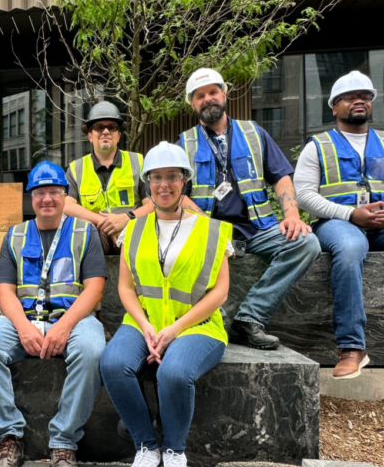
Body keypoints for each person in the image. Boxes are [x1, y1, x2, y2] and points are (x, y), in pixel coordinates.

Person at [101, 142, 232, 467]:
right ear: (147, 183)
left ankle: (174, 450)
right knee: (113, 365)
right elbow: (125, 288)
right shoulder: (132, 229)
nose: (164, 185)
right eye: (156, 177)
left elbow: (220, 293)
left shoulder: (210, 230)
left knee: (173, 373)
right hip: (144, 322)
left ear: (184, 180)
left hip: (198, 327)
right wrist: (145, 326)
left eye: (172, 176)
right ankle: (146, 445)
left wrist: (173, 329)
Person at [0, 161, 107, 467]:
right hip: (25, 318)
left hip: (73, 318)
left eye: (54, 192)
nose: (47, 199)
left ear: (65, 195)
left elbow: (94, 289)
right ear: (31, 197)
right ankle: (9, 438)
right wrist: (22, 327)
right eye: (40, 192)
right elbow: (5, 290)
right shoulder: (15, 235)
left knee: (92, 349)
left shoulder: (86, 232)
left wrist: (64, 327)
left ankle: (63, 441)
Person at [179, 68, 320, 349]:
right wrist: (208, 228)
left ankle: (248, 319)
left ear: (225, 94)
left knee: (307, 243)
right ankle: (210, 325)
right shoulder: (184, 143)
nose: (208, 99)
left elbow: (280, 176)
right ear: (192, 103)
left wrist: (292, 215)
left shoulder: (254, 132)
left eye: (213, 92)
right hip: (211, 231)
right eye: (200, 95)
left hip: (258, 228)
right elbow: (178, 197)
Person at [294, 70, 382, 379]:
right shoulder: (318, 146)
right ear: (335, 107)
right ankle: (352, 348)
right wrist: (350, 215)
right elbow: (303, 195)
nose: (359, 100)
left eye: (364, 96)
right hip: (336, 223)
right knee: (348, 247)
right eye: (349, 97)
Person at [65, 101, 154, 255]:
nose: (106, 131)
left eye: (112, 127)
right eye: (99, 127)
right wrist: (104, 222)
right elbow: (67, 206)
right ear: (90, 136)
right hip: (92, 242)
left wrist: (126, 218)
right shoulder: (76, 168)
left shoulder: (138, 162)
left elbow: (153, 205)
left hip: (132, 240)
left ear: (118, 136)